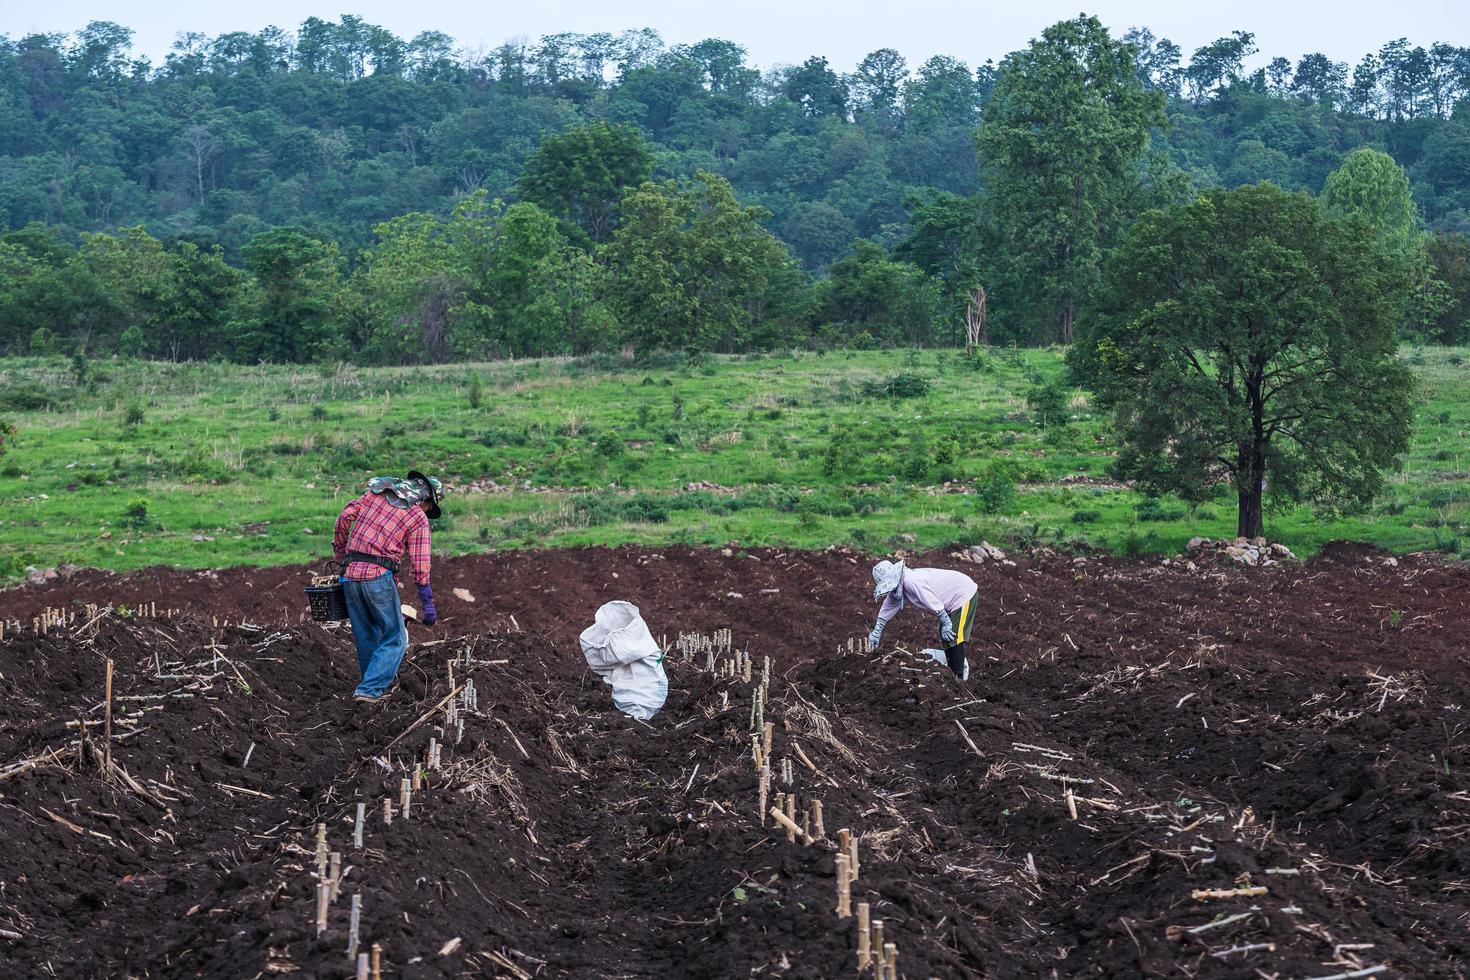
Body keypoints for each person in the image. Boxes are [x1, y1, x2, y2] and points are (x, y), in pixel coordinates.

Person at [332, 470, 444, 703]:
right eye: (428, 508)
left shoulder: (374, 495)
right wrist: (426, 599)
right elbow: (420, 562)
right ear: (424, 500)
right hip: (378, 577)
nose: (426, 513)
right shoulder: (416, 516)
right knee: (396, 638)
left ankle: (369, 688)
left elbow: (344, 517)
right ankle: (370, 690)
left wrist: (341, 554)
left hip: (350, 575)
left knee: (366, 635)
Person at [867, 559, 977, 680]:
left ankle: (959, 678)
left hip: (962, 593)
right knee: (944, 633)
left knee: (955, 634)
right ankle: (952, 673)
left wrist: (946, 621)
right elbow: (888, 606)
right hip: (950, 600)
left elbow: (931, 599)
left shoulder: (911, 580)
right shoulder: (898, 587)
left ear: (895, 577)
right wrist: (877, 630)